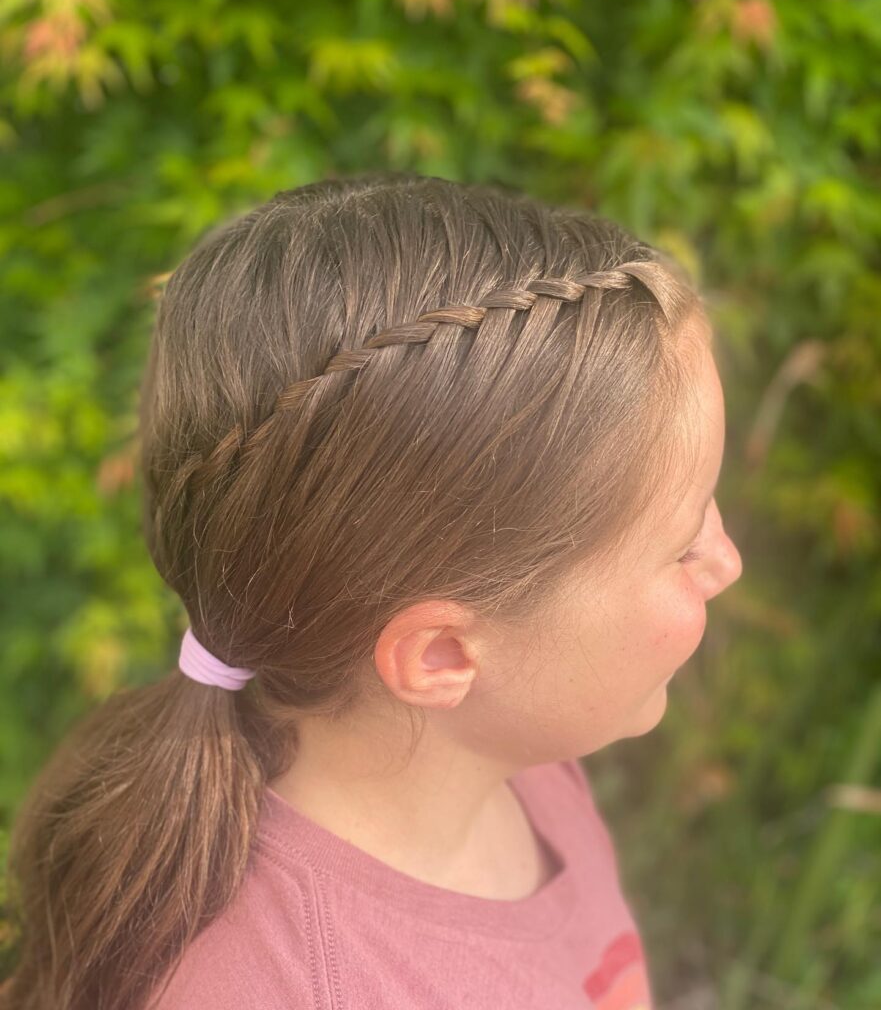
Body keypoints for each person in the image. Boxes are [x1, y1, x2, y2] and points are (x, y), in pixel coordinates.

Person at [2, 173, 743, 1010]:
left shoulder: (523, 767)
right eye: (682, 546)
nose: (726, 560)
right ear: (441, 656)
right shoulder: (268, 985)